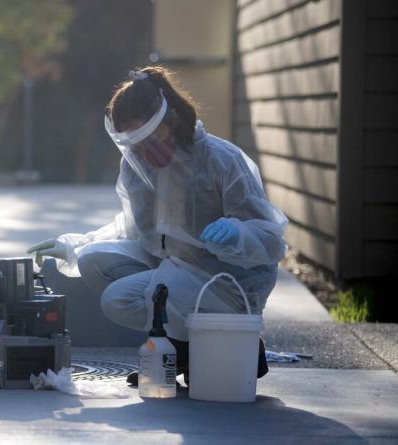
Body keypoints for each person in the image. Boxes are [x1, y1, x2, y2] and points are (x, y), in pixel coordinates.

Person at [27, 66, 287, 385]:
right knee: (93, 261)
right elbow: (134, 229)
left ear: (171, 122)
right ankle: (181, 349)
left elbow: (271, 242)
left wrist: (239, 233)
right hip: (175, 267)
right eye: (136, 147)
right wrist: (74, 246)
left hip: (226, 282)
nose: (146, 155)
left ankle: (215, 344)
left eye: (151, 141)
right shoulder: (137, 167)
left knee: (118, 299)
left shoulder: (220, 160)